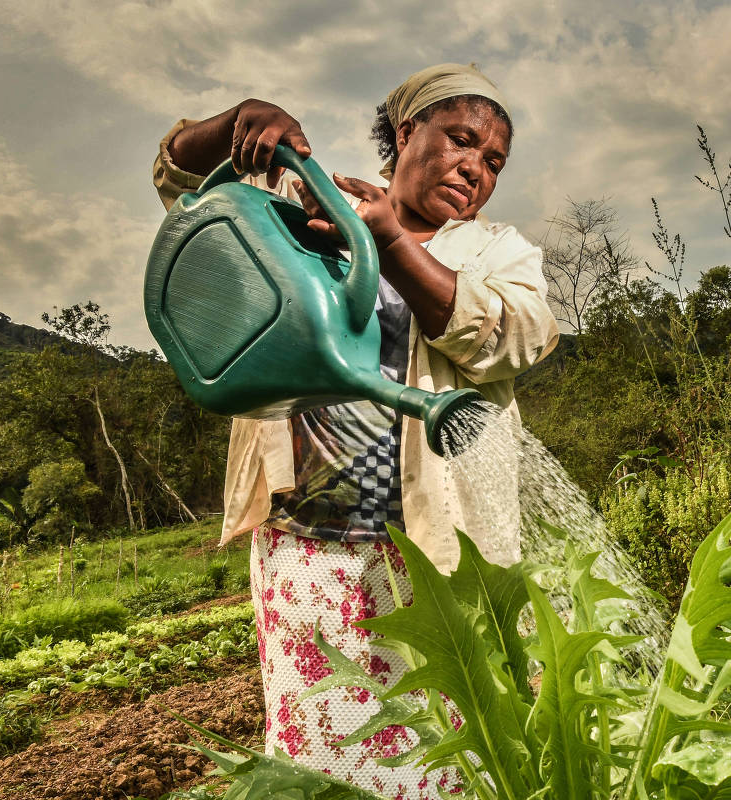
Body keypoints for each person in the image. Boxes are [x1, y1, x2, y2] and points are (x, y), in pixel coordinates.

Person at [151, 63, 558, 797]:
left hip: (437, 555)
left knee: (454, 757)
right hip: (309, 549)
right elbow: (180, 183)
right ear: (407, 133)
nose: (476, 168)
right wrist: (239, 124)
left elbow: (515, 336)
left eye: (494, 160)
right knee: (325, 761)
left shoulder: (496, 251)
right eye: (460, 139)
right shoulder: (309, 211)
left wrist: (392, 243)